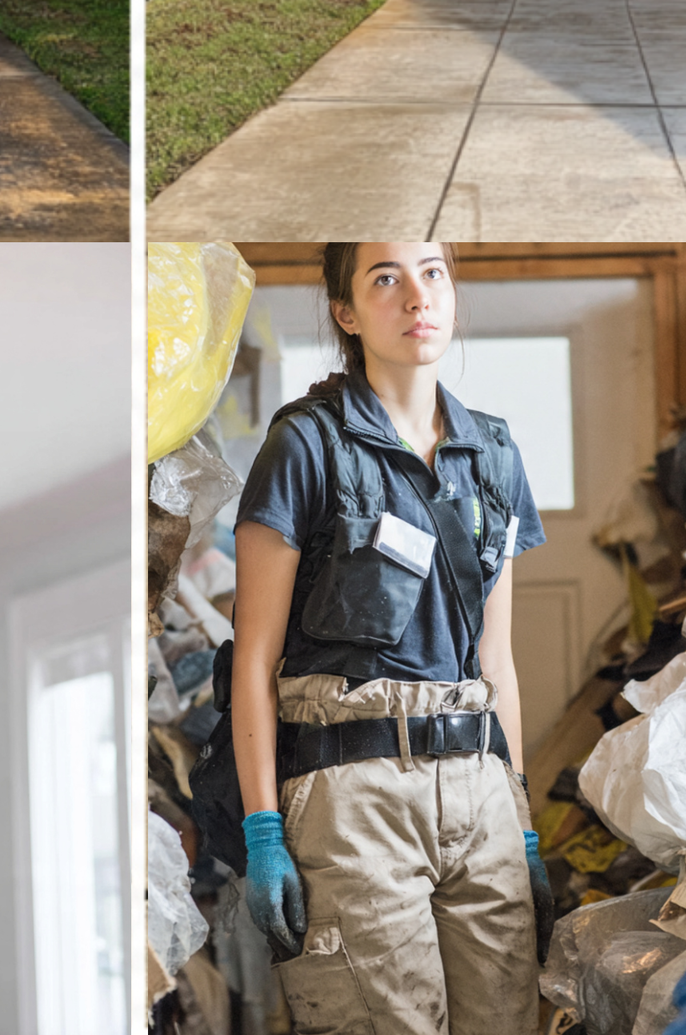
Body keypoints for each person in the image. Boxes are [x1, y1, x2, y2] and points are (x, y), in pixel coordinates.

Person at [229, 242, 550, 1035]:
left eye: (433, 272)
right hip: (353, 798)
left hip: (480, 791)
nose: (417, 296)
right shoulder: (306, 445)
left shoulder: (495, 456)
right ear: (346, 312)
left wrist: (523, 822)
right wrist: (263, 831)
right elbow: (254, 661)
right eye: (386, 278)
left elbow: (497, 662)